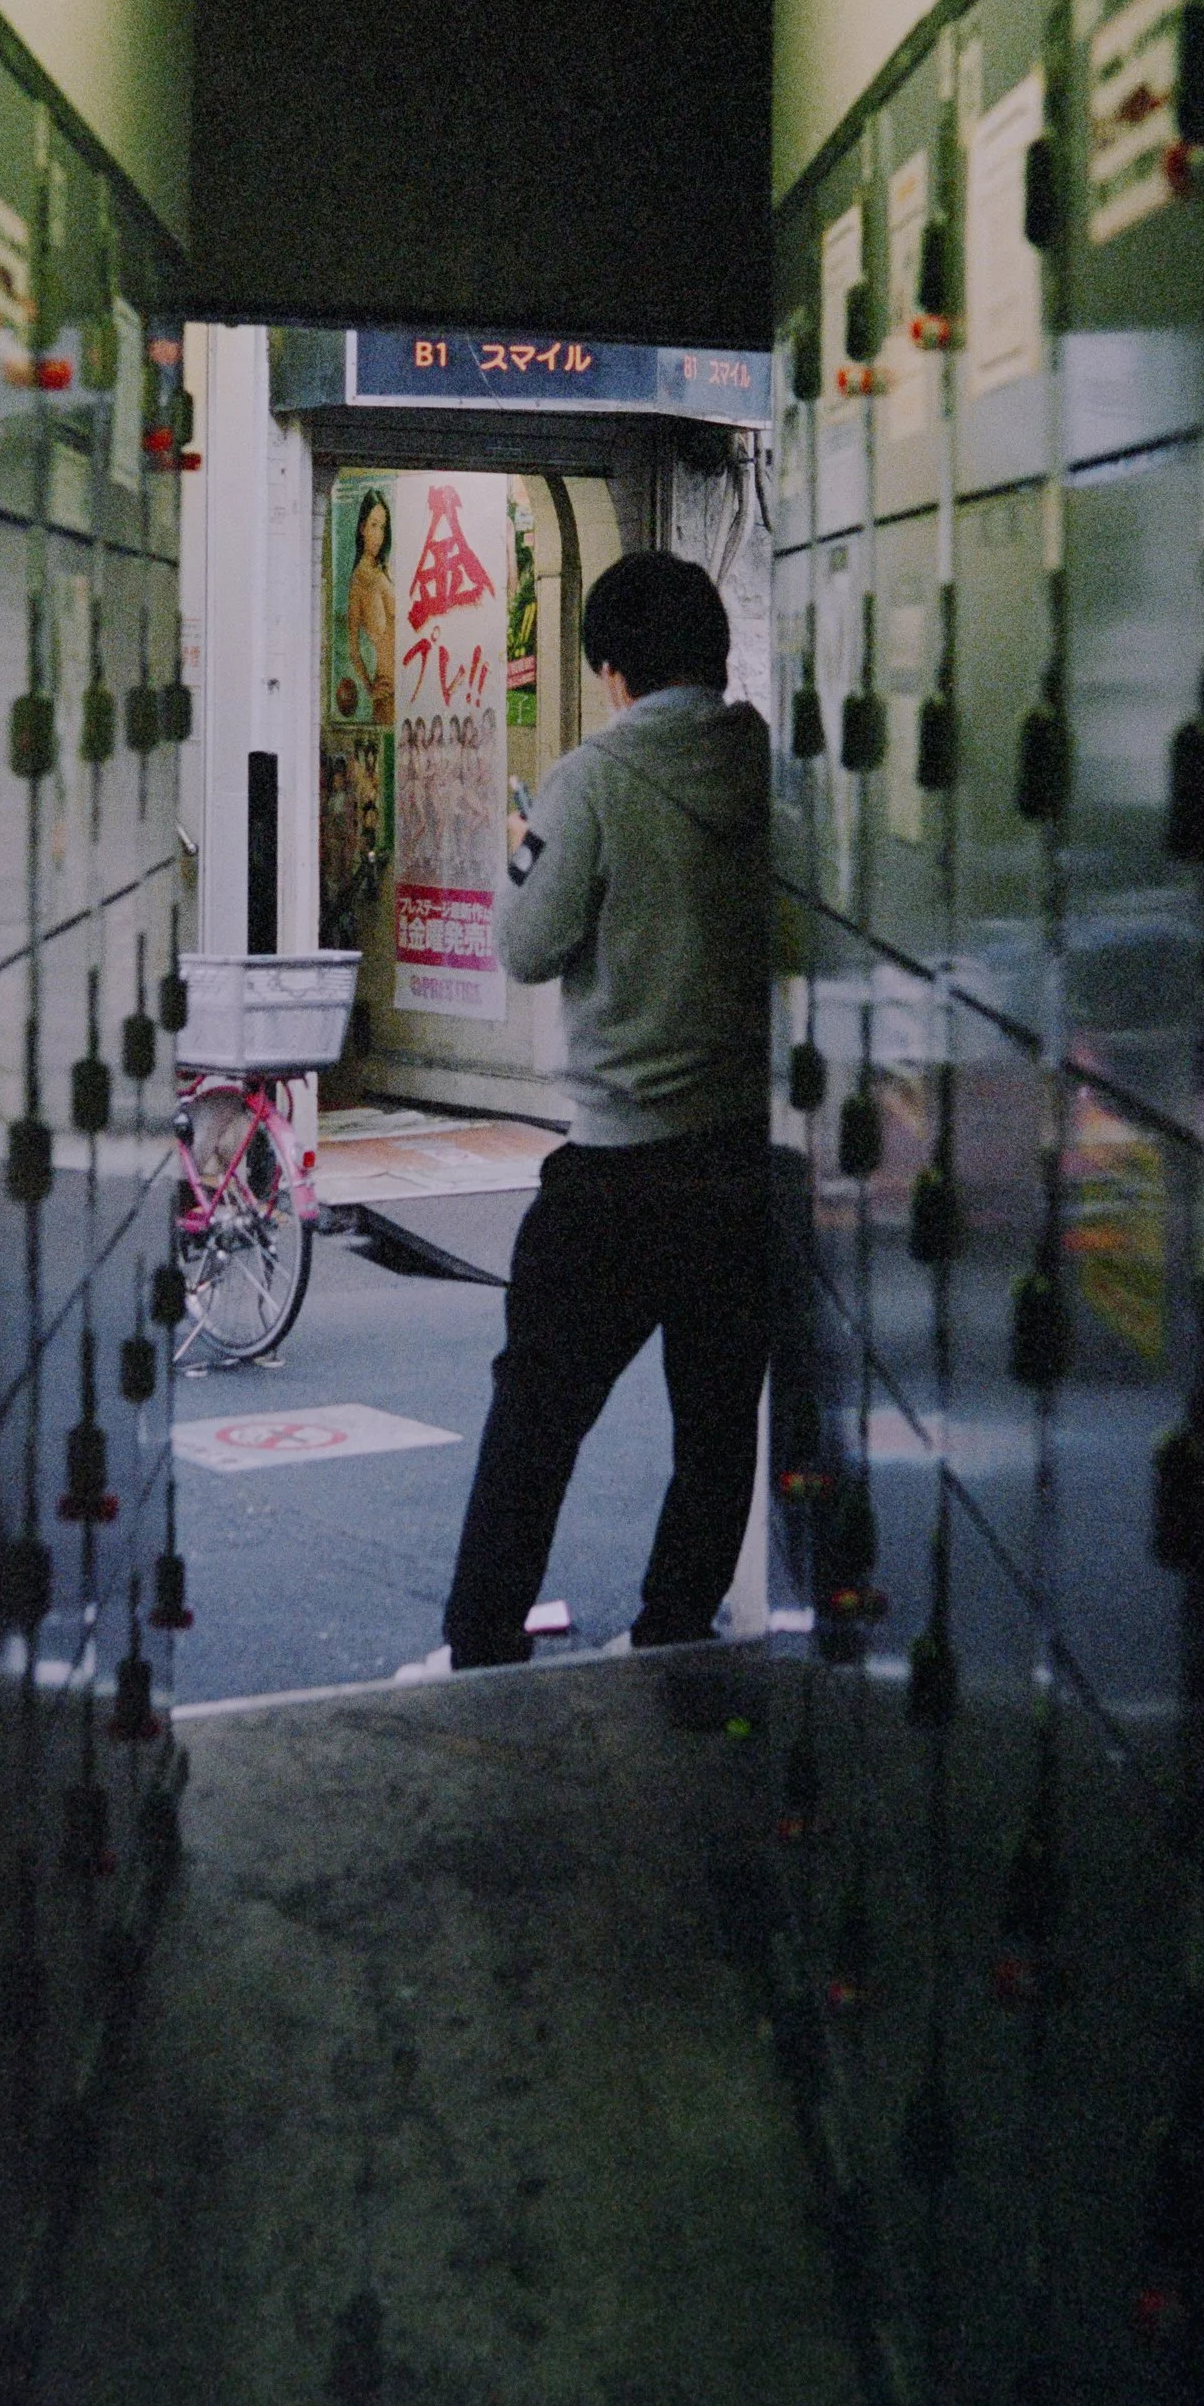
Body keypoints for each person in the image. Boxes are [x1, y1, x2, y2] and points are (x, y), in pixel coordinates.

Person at [396, 551, 770, 1677]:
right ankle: (672, 1630)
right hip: (743, 1160)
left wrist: (521, 859)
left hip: (617, 1172)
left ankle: (481, 1648)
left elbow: (525, 946)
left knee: (535, 1425)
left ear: (609, 669)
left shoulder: (592, 780)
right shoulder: (772, 770)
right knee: (716, 1428)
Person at [345, 487, 397, 729]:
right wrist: (370, 688)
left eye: (383, 527)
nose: (378, 535)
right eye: (374, 525)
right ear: (362, 528)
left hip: (405, 688)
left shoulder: (384, 572)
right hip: (386, 694)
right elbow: (353, 650)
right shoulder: (358, 582)